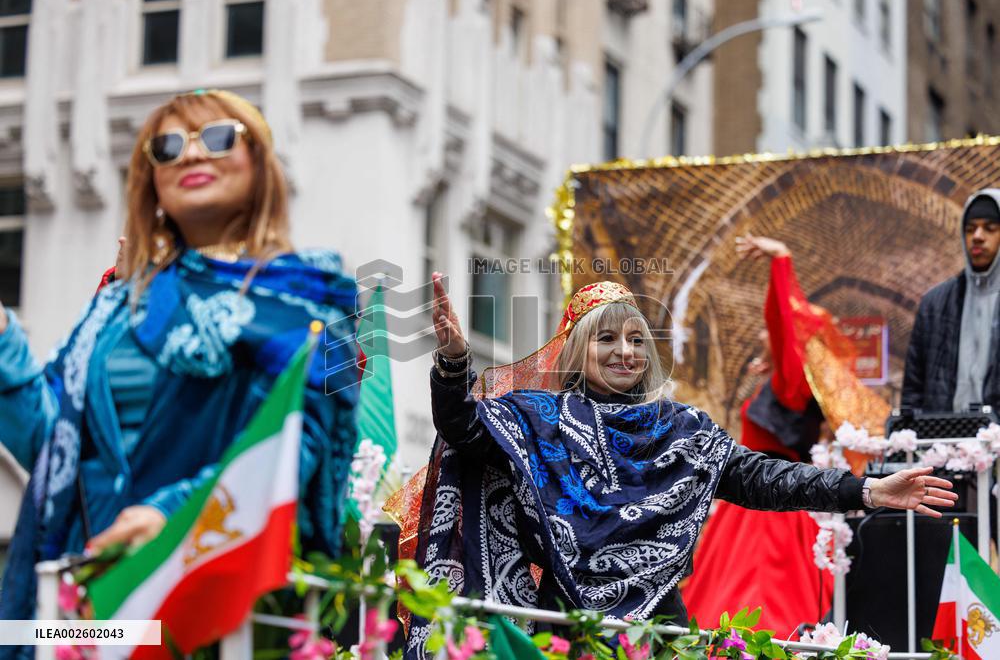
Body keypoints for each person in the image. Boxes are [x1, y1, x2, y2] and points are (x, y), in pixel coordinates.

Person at [402, 273, 956, 658]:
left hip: (663, 629)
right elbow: (465, 430)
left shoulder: (680, 430)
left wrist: (865, 492)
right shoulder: (538, 420)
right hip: (564, 630)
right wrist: (453, 363)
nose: (625, 352)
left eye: (637, 339)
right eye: (608, 339)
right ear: (576, 350)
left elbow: (761, 477)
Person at [0, 90, 361, 629]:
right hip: (90, 591)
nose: (191, 155)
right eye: (166, 147)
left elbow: (292, 449)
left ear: (259, 165)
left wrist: (168, 518)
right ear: (152, 185)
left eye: (216, 138)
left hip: (215, 587)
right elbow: (52, 447)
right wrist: (4, 340)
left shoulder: (314, 303)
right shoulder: (115, 309)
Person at [684, 234, 854, 637]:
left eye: (771, 334)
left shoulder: (792, 386)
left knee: (758, 610)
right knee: (734, 610)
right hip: (754, 503)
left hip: (771, 511)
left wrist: (781, 262)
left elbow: (782, 323)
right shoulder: (783, 384)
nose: (765, 335)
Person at [903, 189, 1000, 412]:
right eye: (970, 229)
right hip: (944, 441)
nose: (977, 236)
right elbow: (913, 390)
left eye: (990, 228)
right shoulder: (935, 304)